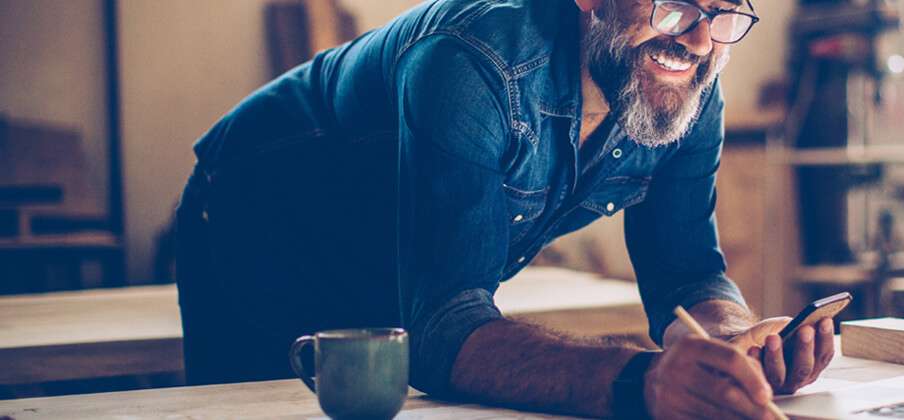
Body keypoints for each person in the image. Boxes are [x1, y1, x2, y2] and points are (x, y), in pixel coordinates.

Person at [175, 0, 834, 417]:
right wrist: (646, 382)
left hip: (405, 258)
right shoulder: (472, 63)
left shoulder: (690, 88)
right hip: (263, 218)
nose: (695, 38)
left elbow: (687, 271)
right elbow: (445, 331)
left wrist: (734, 343)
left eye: (723, 12)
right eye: (671, 4)